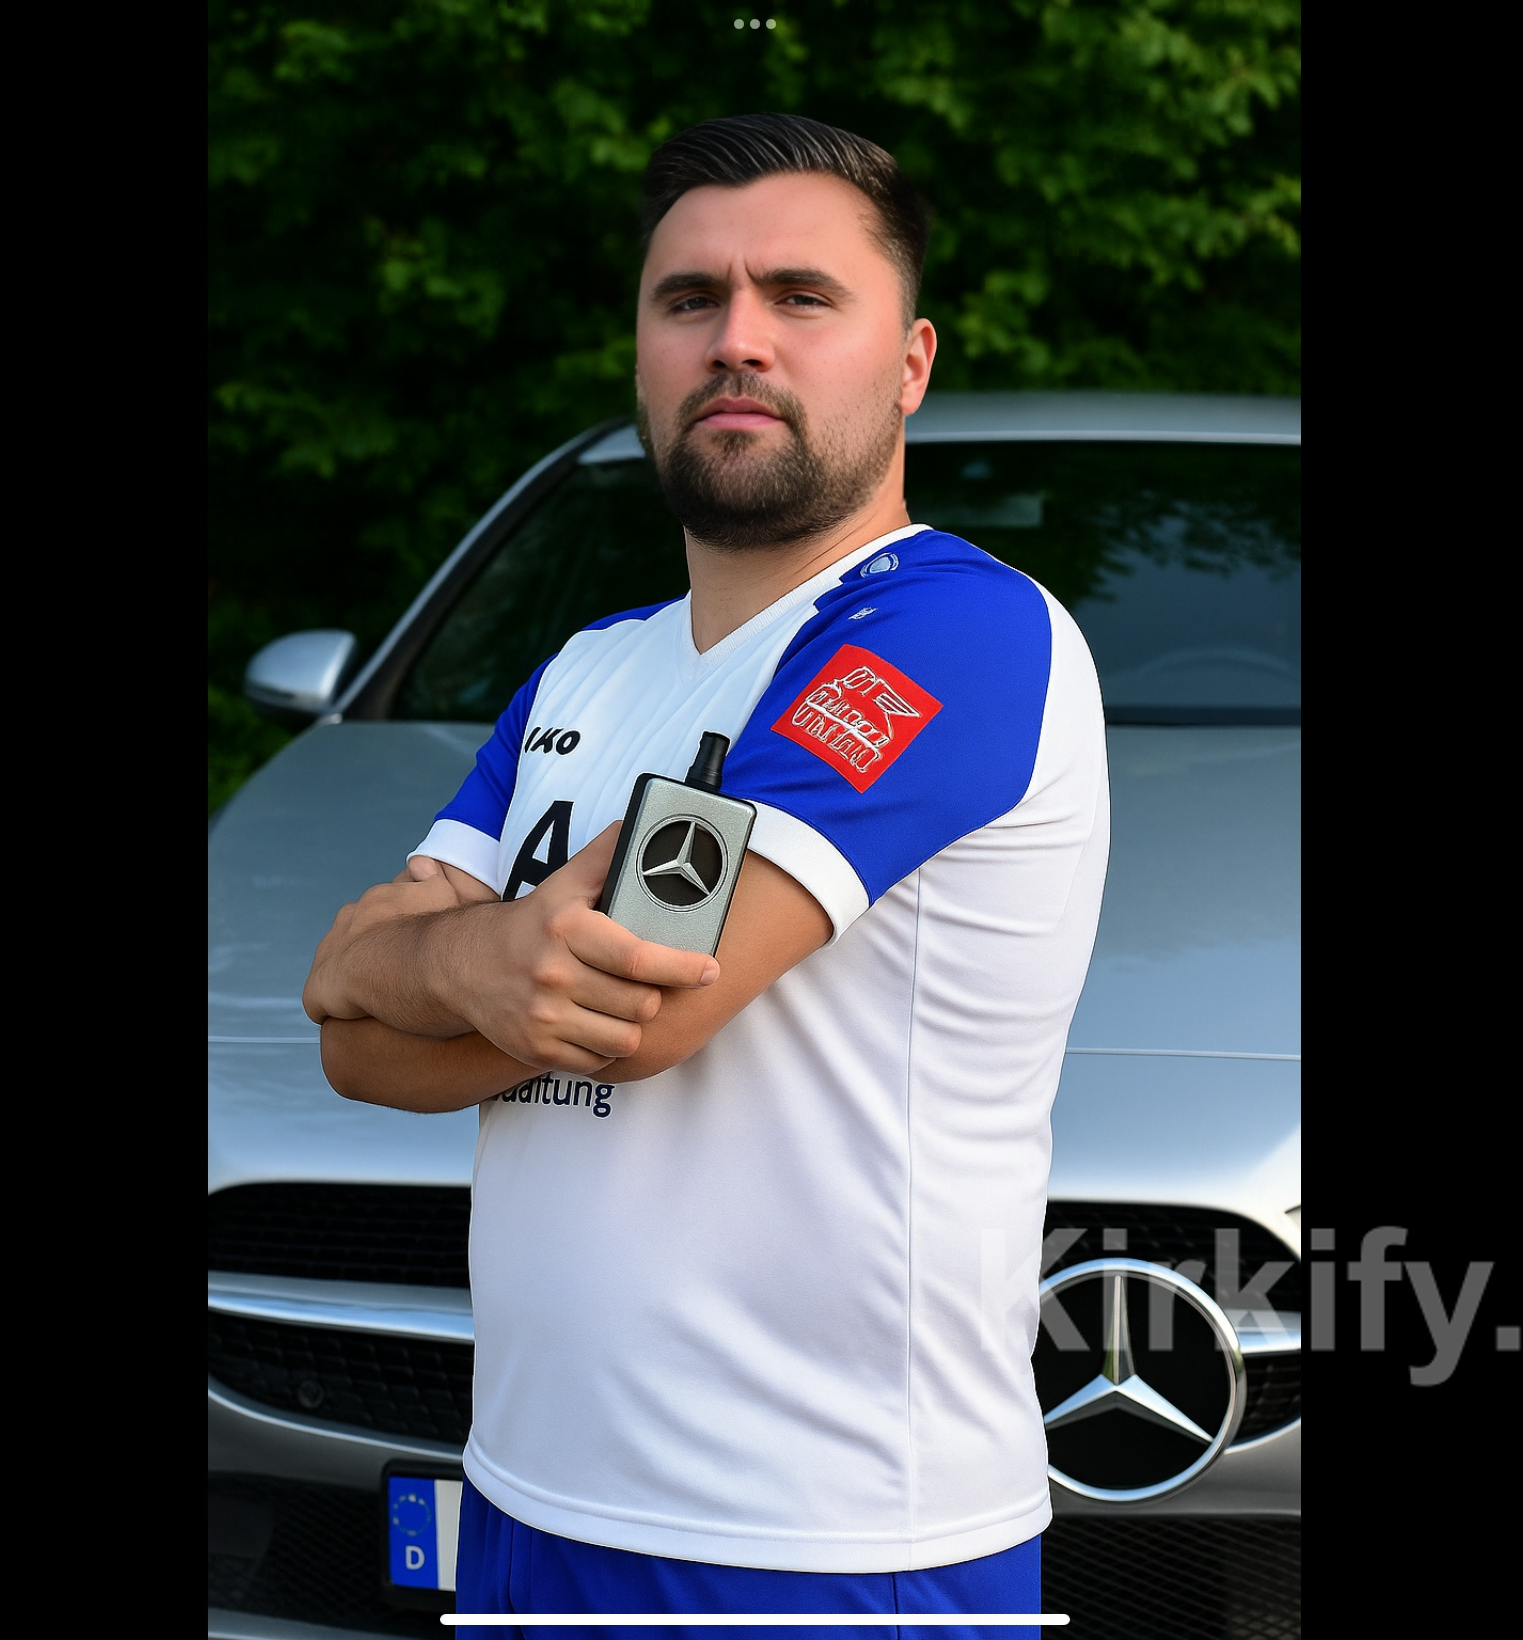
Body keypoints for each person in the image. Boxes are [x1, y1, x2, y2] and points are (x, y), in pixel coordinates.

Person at [302, 112, 1109, 1634]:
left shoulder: (954, 631)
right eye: (690, 299)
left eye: (802, 296)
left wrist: (416, 963)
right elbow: (349, 1047)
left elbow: (634, 1006)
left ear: (911, 363)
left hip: (822, 1547)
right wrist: (464, 964)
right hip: (527, 1500)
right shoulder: (587, 668)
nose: (737, 339)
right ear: (642, 358)